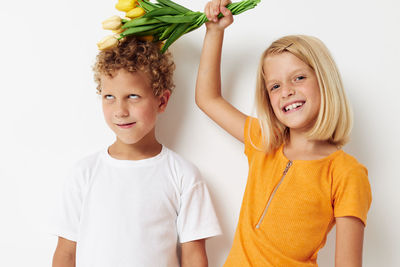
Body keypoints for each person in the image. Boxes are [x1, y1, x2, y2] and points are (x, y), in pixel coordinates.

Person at [196, 0, 372, 266]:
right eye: (275, 86)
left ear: (324, 81)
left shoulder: (346, 173)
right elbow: (207, 99)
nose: (286, 91)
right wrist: (214, 32)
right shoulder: (263, 142)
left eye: (299, 78)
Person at [51, 36, 221, 267]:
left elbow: (194, 256)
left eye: (133, 96)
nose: (120, 111)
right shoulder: (84, 173)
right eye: (109, 97)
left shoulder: (183, 175)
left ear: (161, 101)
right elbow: (66, 253)